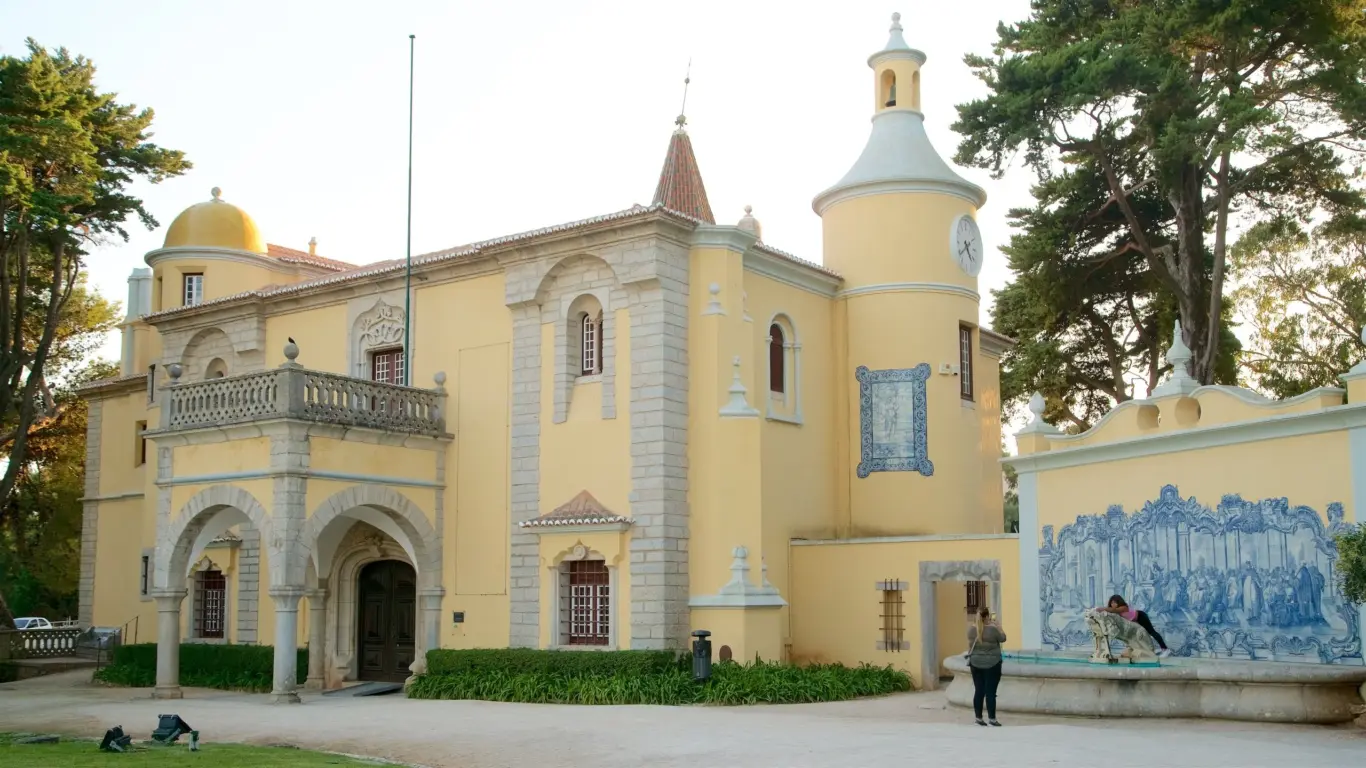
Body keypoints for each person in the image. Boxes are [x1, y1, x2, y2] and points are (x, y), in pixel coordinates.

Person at [965, 606, 1006, 727]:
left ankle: (978, 718)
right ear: (987, 616)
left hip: (975, 664)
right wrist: (998, 626)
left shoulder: (971, 630)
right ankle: (992, 719)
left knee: (979, 690)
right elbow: (1003, 638)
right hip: (992, 664)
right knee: (990, 692)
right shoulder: (993, 630)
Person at [1099, 594, 1170, 657]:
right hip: (1136, 621)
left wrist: (1099, 609)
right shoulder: (1115, 610)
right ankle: (1149, 650)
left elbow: (1114, 610)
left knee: (1152, 632)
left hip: (1141, 616)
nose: (1113, 604)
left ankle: (1165, 649)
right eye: (1111, 603)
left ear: (1119, 602)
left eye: (1115, 602)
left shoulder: (1123, 607)